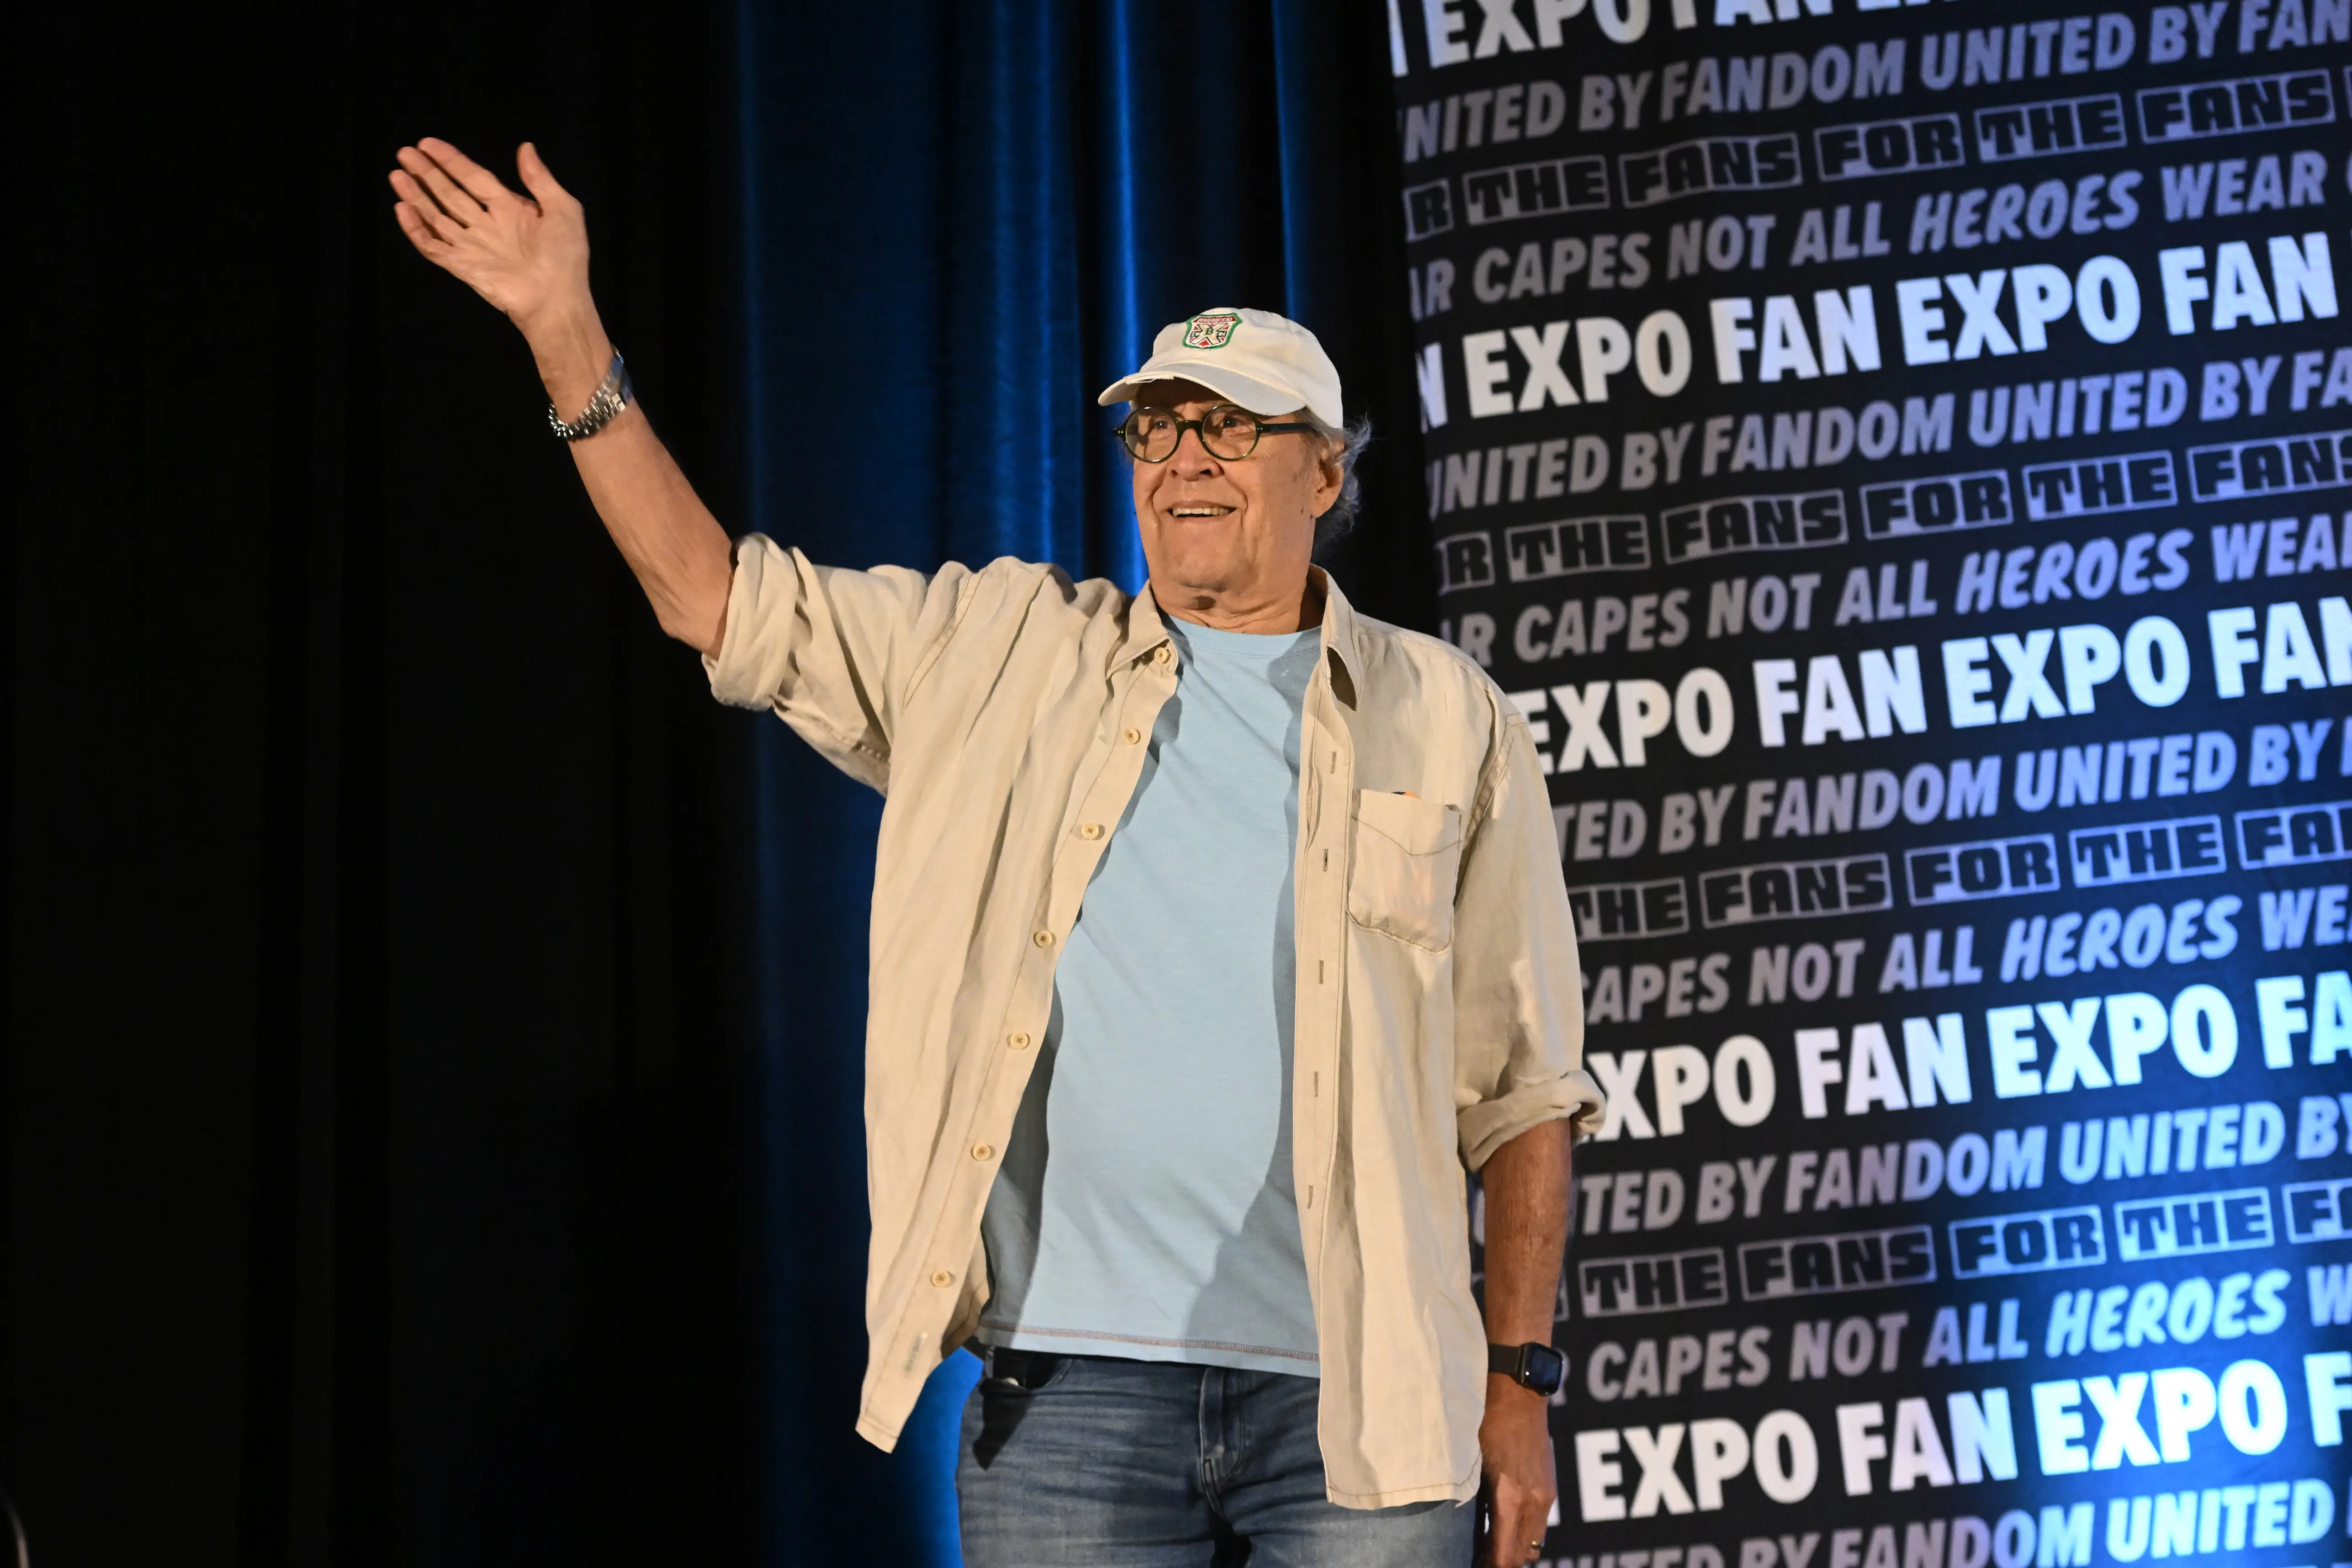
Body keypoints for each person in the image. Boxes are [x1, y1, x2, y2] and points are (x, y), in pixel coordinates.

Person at [388, 135, 1600, 1568]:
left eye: (1227, 428)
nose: (1183, 463)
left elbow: (1524, 1086)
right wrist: (561, 329)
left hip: (1362, 1398)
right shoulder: (1002, 649)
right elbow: (711, 597)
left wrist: (1517, 1386)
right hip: (1066, 1390)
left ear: (1323, 468)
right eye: (1156, 429)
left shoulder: (1442, 712)